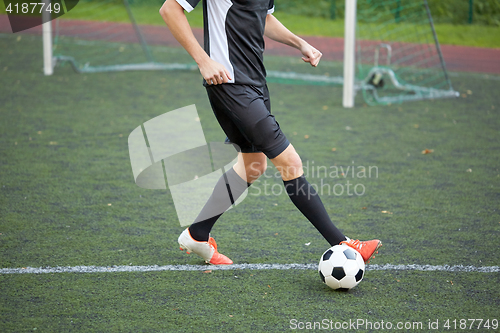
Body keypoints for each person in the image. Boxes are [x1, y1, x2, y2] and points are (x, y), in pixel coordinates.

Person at [160, 0, 381, 265]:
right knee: (290, 162)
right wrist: (203, 60)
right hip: (229, 82)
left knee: (253, 165)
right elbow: (170, 9)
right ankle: (344, 244)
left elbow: (261, 17)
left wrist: (300, 43)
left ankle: (197, 234)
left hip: (254, 84)